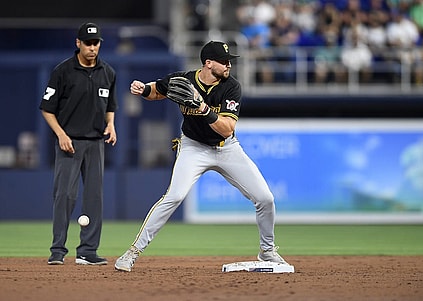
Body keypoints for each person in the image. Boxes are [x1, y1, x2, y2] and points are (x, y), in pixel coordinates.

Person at [114, 40, 290, 272]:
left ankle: (267, 251)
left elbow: (227, 128)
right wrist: (143, 89)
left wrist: (203, 109)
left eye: (229, 61)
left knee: (265, 199)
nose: (229, 65)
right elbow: (158, 90)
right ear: (208, 63)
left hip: (227, 148)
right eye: (224, 61)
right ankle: (133, 252)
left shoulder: (231, 87)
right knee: (174, 196)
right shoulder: (184, 79)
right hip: (194, 147)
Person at [40, 22, 118, 265]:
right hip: (69, 143)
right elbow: (47, 109)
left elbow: (110, 106)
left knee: (94, 198)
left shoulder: (108, 72)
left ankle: (87, 251)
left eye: (96, 43)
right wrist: (61, 135)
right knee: (64, 196)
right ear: (78, 43)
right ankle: (57, 251)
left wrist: (111, 125)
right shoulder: (63, 71)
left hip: (96, 143)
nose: (92, 47)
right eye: (88, 43)